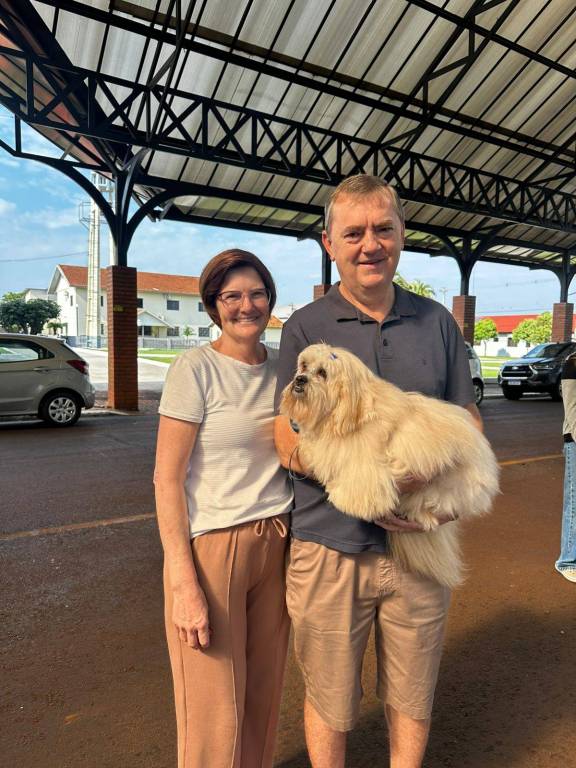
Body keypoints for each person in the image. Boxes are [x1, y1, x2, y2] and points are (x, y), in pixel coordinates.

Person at [274, 174, 482, 768]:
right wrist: (369, 483)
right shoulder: (304, 326)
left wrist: (430, 485)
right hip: (329, 549)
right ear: (329, 243)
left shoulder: (437, 322)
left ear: (402, 234)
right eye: (353, 233)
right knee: (330, 698)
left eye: (382, 229)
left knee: (412, 694)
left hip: (420, 545)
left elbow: (468, 420)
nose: (370, 245)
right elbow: (285, 435)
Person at [155, 249, 293, 768]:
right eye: (231, 296)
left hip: (277, 538)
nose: (246, 306)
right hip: (214, 548)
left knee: (263, 694)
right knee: (213, 709)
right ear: (213, 305)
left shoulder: (284, 370)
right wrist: (183, 584)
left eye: (256, 293)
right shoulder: (196, 370)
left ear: (270, 299)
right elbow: (167, 480)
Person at [555, 353, 576, 582]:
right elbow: (571, 410)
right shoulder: (572, 363)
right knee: (574, 502)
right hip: (575, 440)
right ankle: (567, 561)